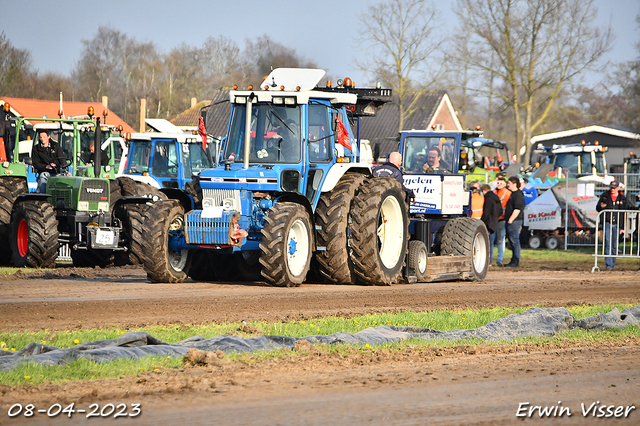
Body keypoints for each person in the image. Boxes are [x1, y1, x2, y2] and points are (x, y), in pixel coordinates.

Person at [596, 180, 635, 271]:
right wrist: (601, 207)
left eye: (614, 188)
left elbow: (623, 214)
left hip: (617, 224)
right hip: (607, 222)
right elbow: (597, 208)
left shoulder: (622, 198)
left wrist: (623, 227)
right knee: (607, 243)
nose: (612, 189)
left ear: (618, 188)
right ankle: (608, 264)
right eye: (611, 187)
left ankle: (613, 263)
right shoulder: (604, 196)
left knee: (614, 244)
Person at [504, 176, 525, 267]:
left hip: (514, 221)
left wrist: (511, 219)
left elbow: (517, 208)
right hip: (512, 221)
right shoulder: (513, 194)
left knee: (514, 241)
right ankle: (513, 260)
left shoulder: (518, 195)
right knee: (512, 241)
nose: (508, 185)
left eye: (509, 183)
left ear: (515, 184)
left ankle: (515, 260)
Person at [480, 184, 501, 267]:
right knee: (491, 243)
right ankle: (490, 262)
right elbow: (500, 211)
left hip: (488, 223)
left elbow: (486, 212)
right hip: (495, 222)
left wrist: (482, 221)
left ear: (483, 191)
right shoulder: (496, 198)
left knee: (486, 243)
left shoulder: (488, 199)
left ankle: (487, 261)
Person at [492, 176, 511, 266]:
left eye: (501, 183)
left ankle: (499, 260)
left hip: (502, 219)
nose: (499, 185)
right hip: (494, 219)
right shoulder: (494, 192)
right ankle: (489, 260)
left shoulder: (507, 193)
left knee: (500, 240)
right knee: (491, 240)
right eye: (498, 183)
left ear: (505, 184)